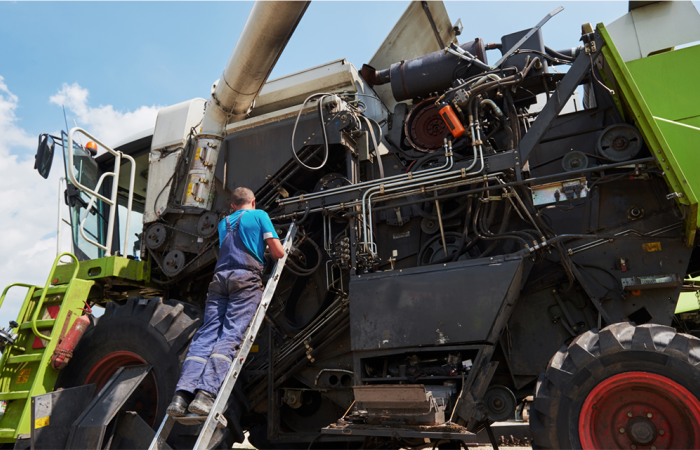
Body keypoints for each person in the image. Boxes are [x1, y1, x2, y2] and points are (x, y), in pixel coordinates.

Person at [167, 187, 285, 416]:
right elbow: (279, 253)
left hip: (220, 280)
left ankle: (181, 397)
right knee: (230, 334)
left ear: (232, 206)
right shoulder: (259, 215)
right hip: (245, 279)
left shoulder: (224, 223)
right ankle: (205, 395)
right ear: (254, 201)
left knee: (206, 335)